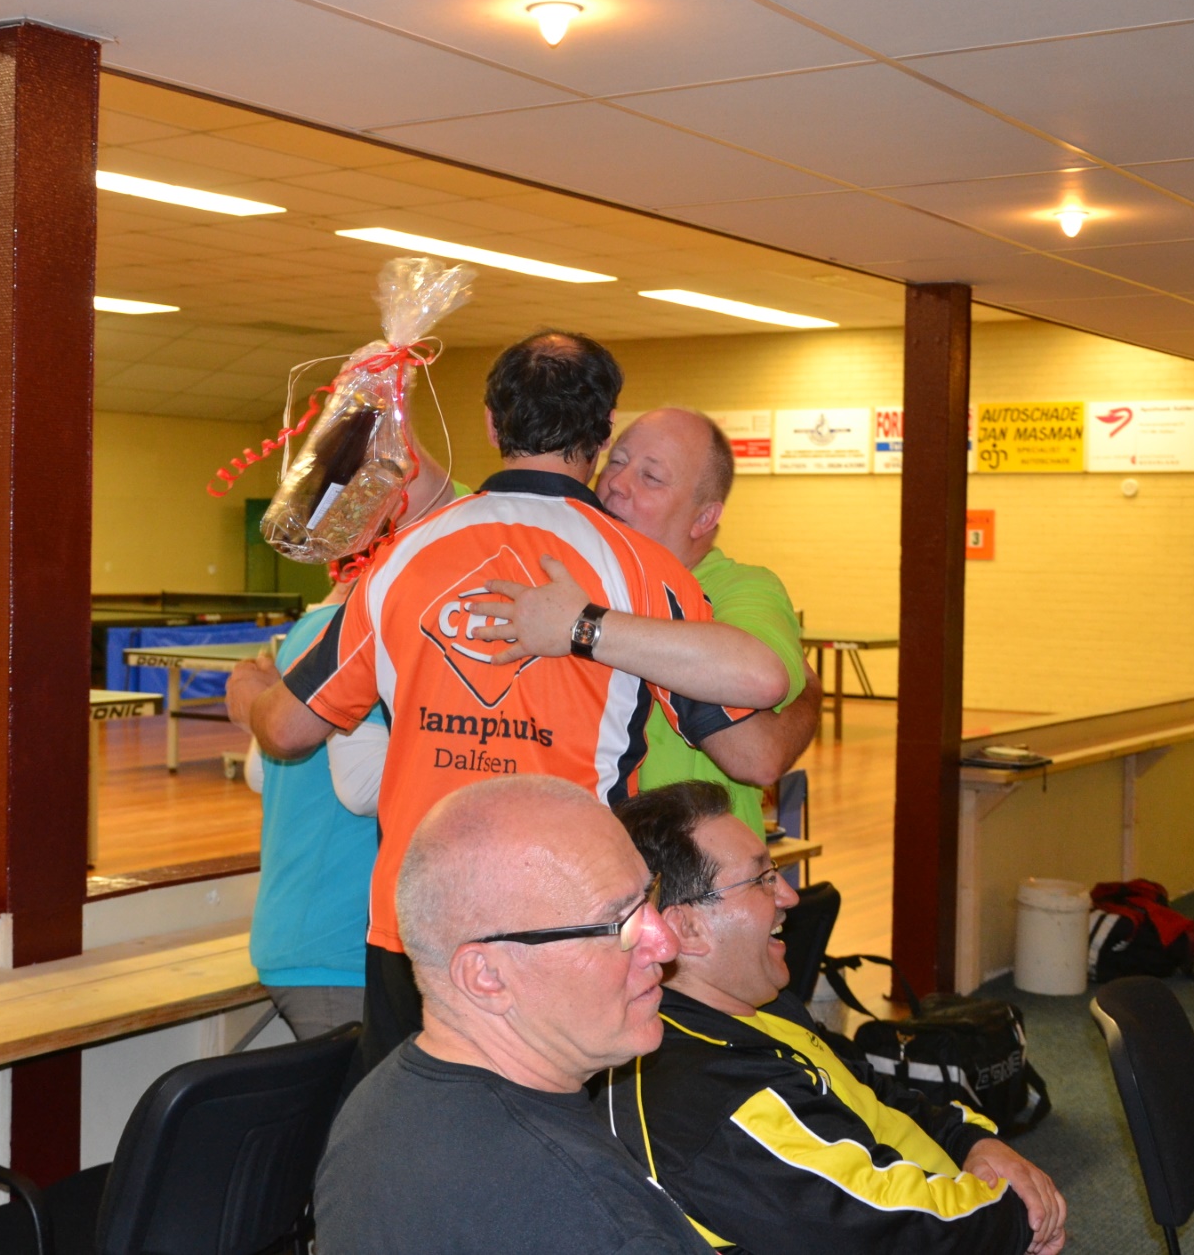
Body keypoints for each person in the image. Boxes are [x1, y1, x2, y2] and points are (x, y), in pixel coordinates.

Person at [241, 331, 789, 1069]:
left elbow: (285, 730)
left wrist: (253, 699)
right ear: (602, 434)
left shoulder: (401, 556)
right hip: (569, 926)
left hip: (418, 924)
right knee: (548, 1126)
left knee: (409, 1118)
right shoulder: (645, 571)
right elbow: (751, 729)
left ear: (492, 424)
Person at [605, 781, 1066, 1255]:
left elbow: (869, 1087)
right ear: (687, 929)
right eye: (762, 879)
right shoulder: (714, 1097)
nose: (789, 895)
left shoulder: (758, 1006)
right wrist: (1016, 1211)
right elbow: (881, 1230)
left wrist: (971, 1141)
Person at [313, 776, 710, 1254]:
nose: (665, 944)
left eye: (649, 897)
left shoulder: (376, 1111)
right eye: (620, 923)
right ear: (487, 977)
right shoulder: (593, 1219)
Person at [479, 407, 821, 838]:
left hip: (690, 867)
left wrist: (583, 627)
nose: (617, 484)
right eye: (616, 462)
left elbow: (757, 755)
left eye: (651, 478)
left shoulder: (741, 588)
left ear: (703, 518)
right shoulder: (559, 568)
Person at [228, 582, 385, 1039]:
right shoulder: (364, 636)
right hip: (340, 948)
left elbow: (260, 773)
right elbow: (361, 789)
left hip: (306, 935)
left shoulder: (307, 630)